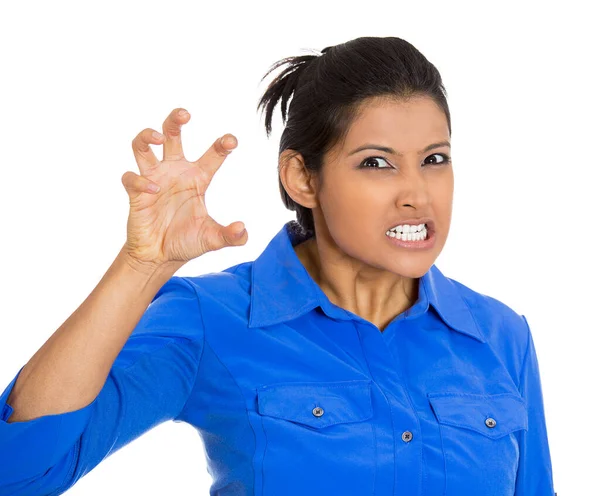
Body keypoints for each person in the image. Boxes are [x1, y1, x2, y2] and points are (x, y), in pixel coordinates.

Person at [0, 36, 555, 496]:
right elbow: (20, 472)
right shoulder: (210, 318)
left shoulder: (500, 335)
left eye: (435, 160)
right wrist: (141, 265)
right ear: (302, 179)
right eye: (376, 163)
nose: (416, 194)